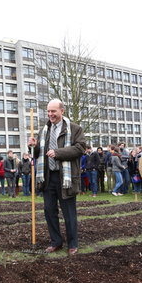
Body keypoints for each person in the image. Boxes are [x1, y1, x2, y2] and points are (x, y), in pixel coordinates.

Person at [28, 99, 85, 255]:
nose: (50, 114)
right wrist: (32, 146)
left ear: (62, 111)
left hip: (66, 178)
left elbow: (80, 148)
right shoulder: (44, 130)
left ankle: (73, 244)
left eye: (53, 111)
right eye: (48, 111)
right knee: (49, 210)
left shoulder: (75, 129)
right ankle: (56, 242)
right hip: (48, 177)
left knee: (69, 212)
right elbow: (37, 154)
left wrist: (58, 153)